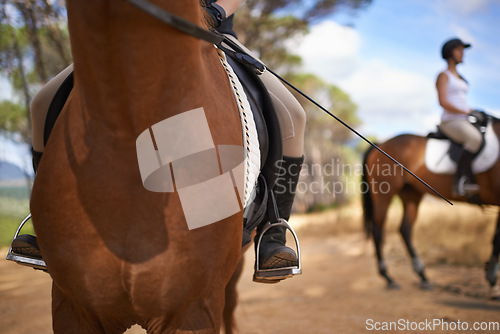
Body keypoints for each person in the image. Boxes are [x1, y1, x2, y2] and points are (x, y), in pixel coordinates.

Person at [13, 0, 306, 283]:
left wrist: (216, 10)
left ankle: (273, 232)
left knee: (293, 116)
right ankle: (46, 226)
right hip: (128, 32)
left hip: (211, 32)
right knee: (42, 103)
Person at [436, 37, 482, 196]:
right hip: (450, 120)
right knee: (475, 139)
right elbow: (443, 101)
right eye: (459, 50)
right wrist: (466, 112)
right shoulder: (443, 75)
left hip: (464, 118)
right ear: (450, 53)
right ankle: (459, 181)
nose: (462, 54)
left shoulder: (460, 78)